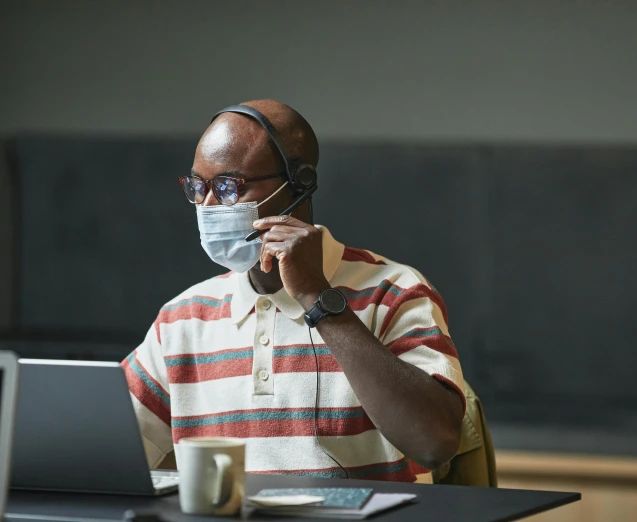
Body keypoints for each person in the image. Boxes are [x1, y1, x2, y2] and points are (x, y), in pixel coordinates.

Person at [123, 99, 465, 483]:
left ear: (298, 184)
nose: (207, 205)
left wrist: (319, 299)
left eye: (227, 186)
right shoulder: (182, 318)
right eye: (197, 187)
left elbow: (434, 443)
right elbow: (109, 446)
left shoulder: (394, 292)